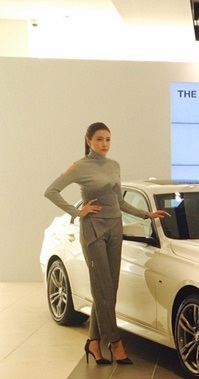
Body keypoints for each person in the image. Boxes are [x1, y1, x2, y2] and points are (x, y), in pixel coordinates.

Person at [44, 122, 170, 365]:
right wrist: (77, 212)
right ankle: (115, 342)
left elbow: (119, 202)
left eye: (108, 139)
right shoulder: (80, 166)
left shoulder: (114, 165)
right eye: (100, 139)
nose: (104, 144)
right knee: (103, 288)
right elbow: (51, 191)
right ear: (89, 141)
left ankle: (93, 342)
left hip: (115, 228)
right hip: (93, 230)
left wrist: (146, 214)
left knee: (109, 288)